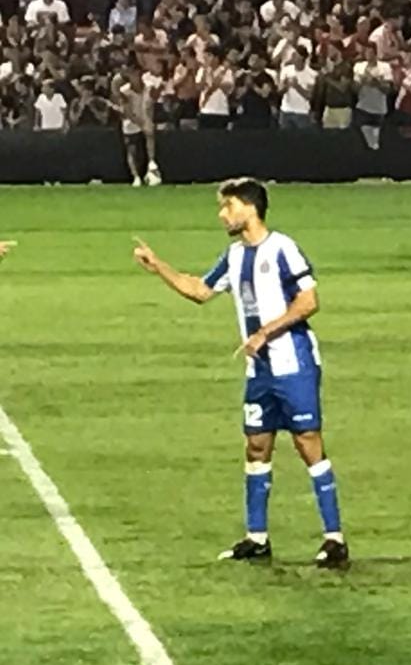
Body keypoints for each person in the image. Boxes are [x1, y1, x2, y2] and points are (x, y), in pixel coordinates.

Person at [131, 179, 348, 569]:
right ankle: (257, 537)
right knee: (256, 445)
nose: (222, 214)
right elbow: (199, 290)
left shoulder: (282, 248)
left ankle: (335, 539)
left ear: (249, 208)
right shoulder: (233, 256)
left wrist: (265, 332)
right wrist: (158, 266)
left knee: (307, 441)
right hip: (259, 368)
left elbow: (309, 301)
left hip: (292, 362)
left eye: (227, 206)